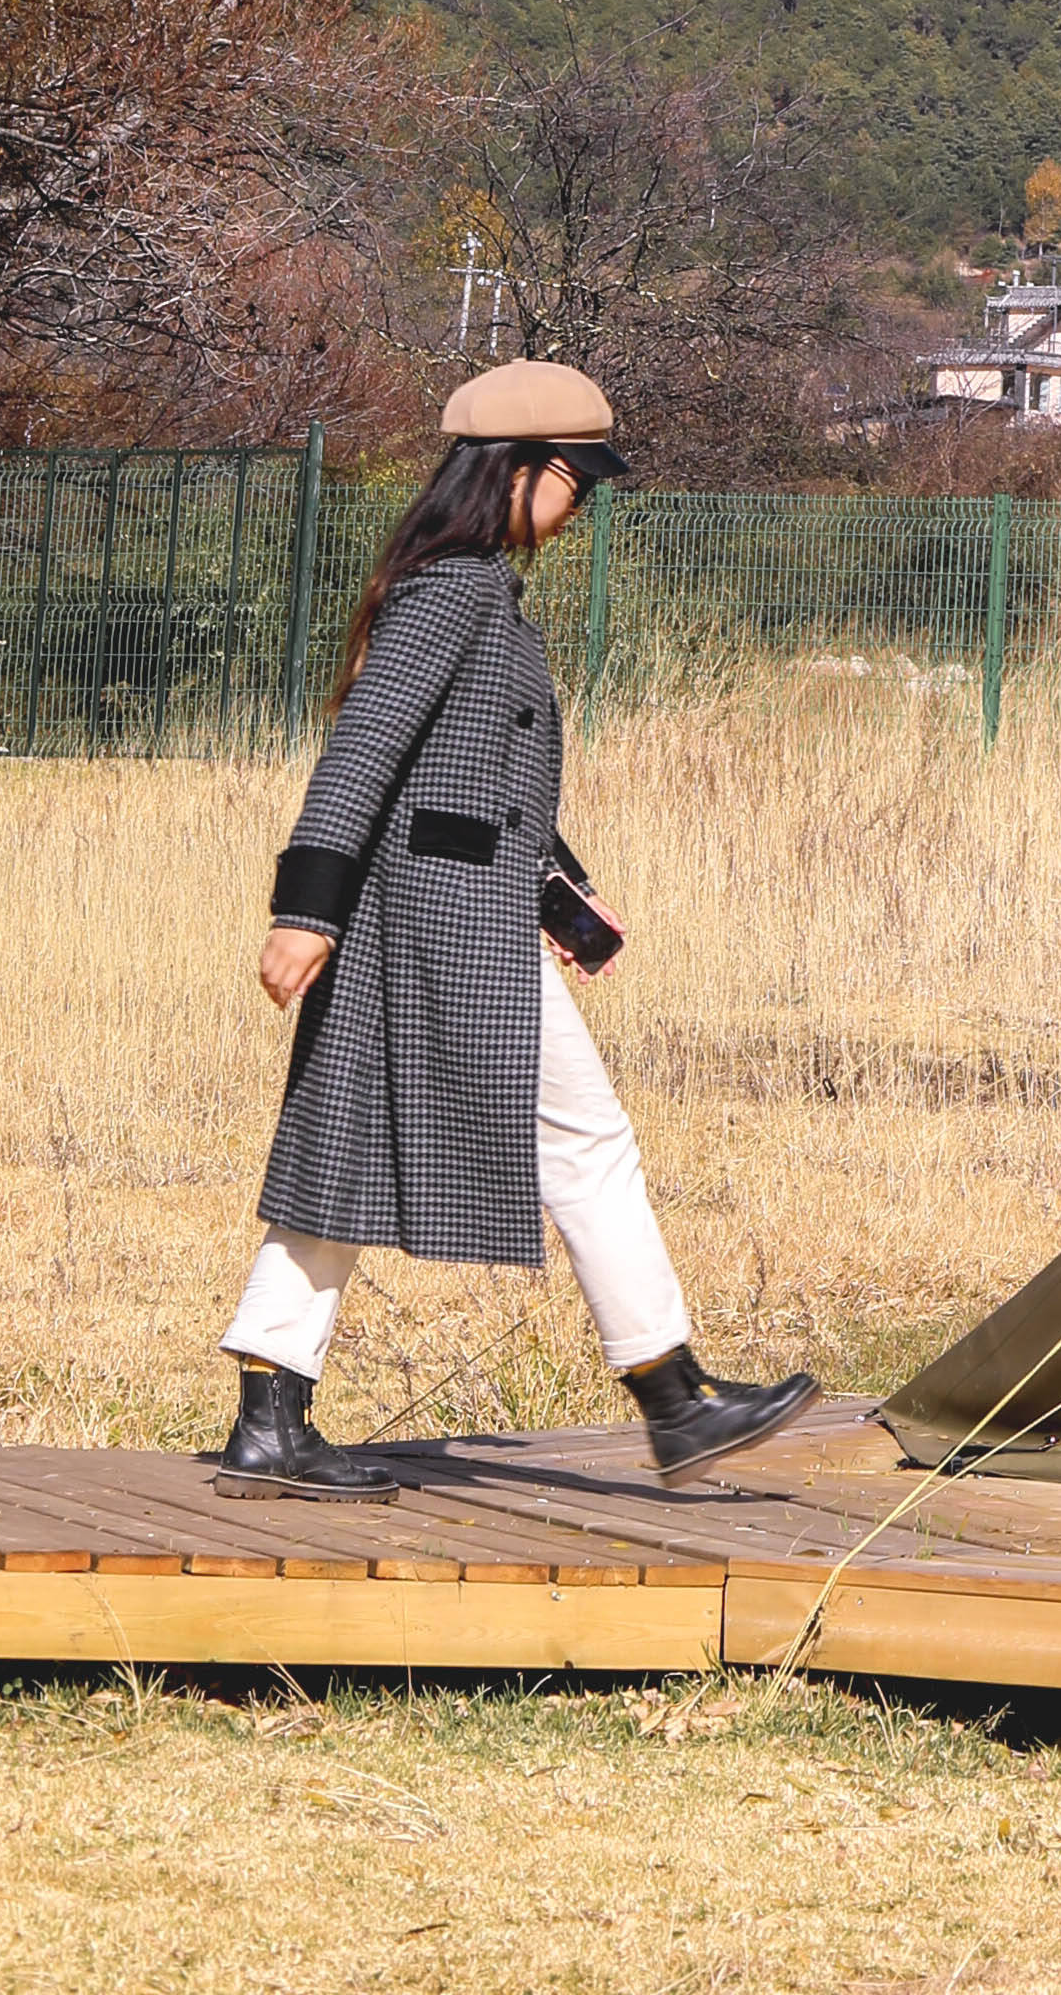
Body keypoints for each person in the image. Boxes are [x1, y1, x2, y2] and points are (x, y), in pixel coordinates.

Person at [211, 356, 817, 1490]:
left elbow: (471, 784)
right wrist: (304, 912)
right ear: (519, 471)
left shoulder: (468, 585)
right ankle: (673, 1397)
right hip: (440, 931)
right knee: (588, 1139)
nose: (581, 505)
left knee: (343, 1138)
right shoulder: (459, 592)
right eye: (575, 481)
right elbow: (366, 756)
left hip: (442, 915)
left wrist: (559, 900)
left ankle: (270, 1415)